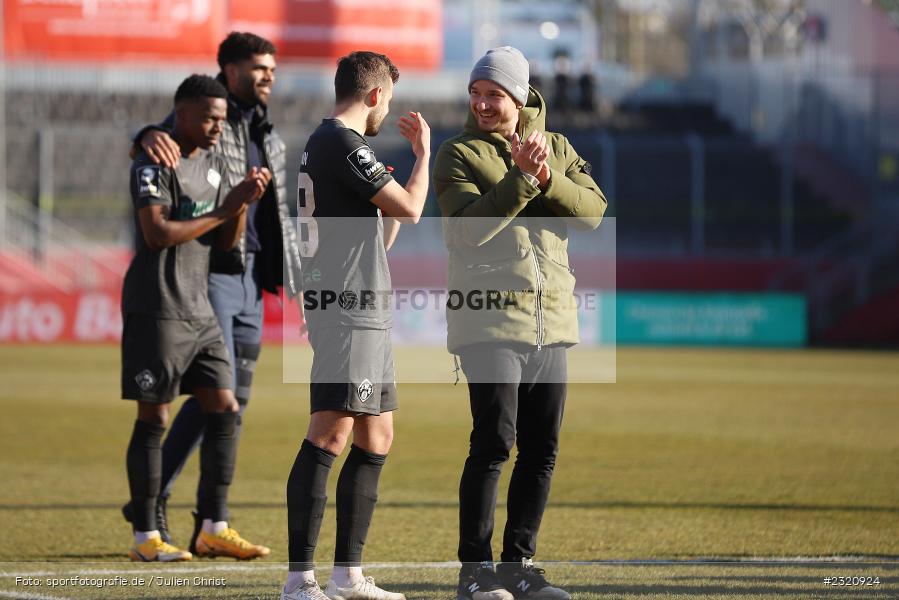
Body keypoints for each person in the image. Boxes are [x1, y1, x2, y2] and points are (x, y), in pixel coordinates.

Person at [433, 46, 607, 599]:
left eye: (494, 94)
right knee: (493, 442)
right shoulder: (457, 153)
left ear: (519, 96)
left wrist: (546, 173)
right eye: (476, 94)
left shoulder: (556, 146)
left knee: (541, 448)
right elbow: (464, 231)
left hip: (551, 320)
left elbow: (593, 212)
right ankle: (475, 573)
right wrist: (524, 181)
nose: (482, 103)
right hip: (488, 319)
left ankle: (519, 567)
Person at [123, 32, 302, 558]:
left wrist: (290, 278)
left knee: (231, 402)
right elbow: (164, 139)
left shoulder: (269, 133)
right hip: (210, 273)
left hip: (251, 276)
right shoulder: (202, 119)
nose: (268, 75)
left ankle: (208, 523)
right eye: (258, 67)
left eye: (272, 68)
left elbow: (277, 212)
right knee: (206, 399)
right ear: (228, 69)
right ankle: (151, 508)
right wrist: (143, 134)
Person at [281, 51, 430, 600]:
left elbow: (383, 226)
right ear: (373, 95)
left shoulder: (333, 145)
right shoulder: (343, 144)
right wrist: (423, 154)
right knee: (331, 431)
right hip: (348, 306)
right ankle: (299, 580)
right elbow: (411, 209)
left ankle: (348, 575)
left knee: (377, 434)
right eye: (385, 101)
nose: (384, 112)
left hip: (362, 303)